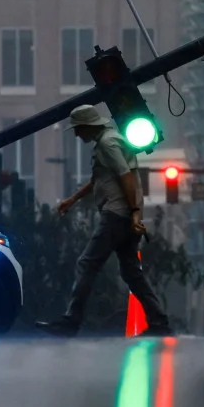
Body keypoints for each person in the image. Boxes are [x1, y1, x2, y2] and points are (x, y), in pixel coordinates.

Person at [36, 105, 173, 336]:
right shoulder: (109, 141)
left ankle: (71, 322)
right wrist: (73, 199)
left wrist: (136, 212)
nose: (78, 135)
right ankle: (160, 323)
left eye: (79, 130)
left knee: (86, 264)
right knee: (131, 272)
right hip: (124, 216)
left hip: (116, 215)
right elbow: (100, 179)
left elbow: (125, 176)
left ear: (88, 127)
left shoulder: (108, 144)